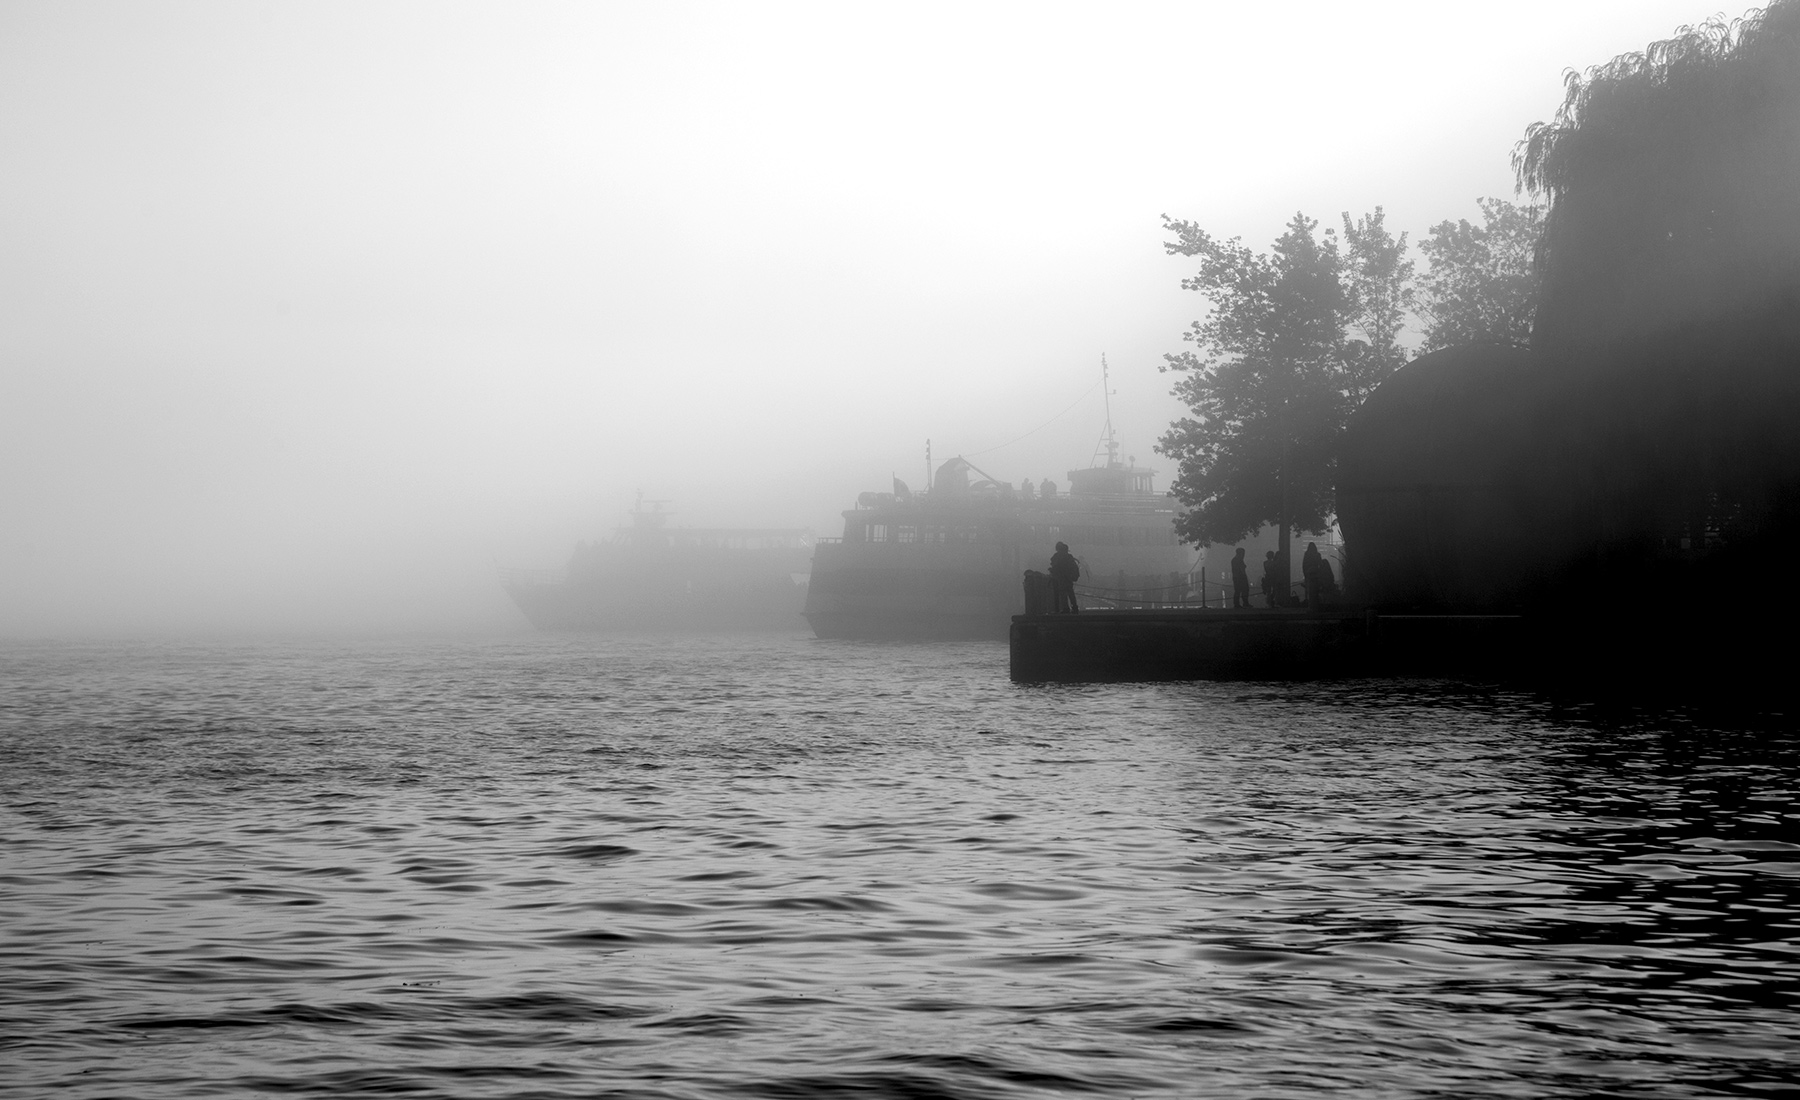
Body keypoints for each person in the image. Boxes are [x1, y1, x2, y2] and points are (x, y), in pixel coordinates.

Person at [1049, 541, 1080, 613]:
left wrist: (1052, 571)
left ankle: (1066, 608)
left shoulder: (1057, 557)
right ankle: (1074, 607)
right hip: (1069, 578)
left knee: (1063, 593)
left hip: (1061, 578)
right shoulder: (1069, 557)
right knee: (1070, 592)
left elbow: (1056, 566)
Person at [1302, 542, 1323, 607]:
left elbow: (1304, 565)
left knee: (1308, 589)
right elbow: (1321, 564)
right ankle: (1316, 602)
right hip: (1316, 573)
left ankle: (1308, 602)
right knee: (1316, 589)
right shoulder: (1317, 554)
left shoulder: (1306, 554)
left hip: (1308, 573)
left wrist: (1305, 573)